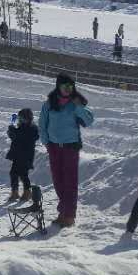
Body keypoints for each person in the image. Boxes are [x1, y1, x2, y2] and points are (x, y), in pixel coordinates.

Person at [39, 73, 94, 228]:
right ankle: (63, 212)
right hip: (54, 147)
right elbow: (42, 125)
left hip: (71, 147)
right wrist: (47, 143)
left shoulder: (75, 103)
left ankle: (69, 215)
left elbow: (89, 120)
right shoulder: (49, 104)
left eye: (71, 86)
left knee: (70, 181)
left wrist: (78, 106)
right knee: (58, 181)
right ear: (58, 86)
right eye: (65, 86)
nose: (68, 90)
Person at [5, 109, 38, 203]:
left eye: (22, 118)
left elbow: (22, 137)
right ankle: (14, 192)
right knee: (13, 173)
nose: (20, 120)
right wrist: (11, 132)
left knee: (23, 174)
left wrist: (13, 130)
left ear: (28, 118)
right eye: (20, 118)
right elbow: (15, 138)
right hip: (18, 154)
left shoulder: (32, 128)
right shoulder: (21, 127)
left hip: (26, 155)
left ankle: (27, 193)